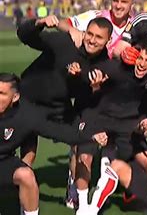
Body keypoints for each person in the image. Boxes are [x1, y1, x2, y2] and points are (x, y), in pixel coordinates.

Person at [72, 43, 147, 214]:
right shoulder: (118, 68)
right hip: (100, 118)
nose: (141, 64)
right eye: (140, 58)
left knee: (146, 161)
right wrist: (78, 72)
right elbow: (90, 72)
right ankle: (83, 206)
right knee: (84, 157)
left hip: (127, 123)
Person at [0, 73, 107, 215]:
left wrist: (91, 137)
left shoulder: (27, 115)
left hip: (4, 161)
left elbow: (59, 132)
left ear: (15, 97)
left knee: (26, 175)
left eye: (1, 93)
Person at [17, 15, 112, 166]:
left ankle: (75, 188)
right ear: (84, 32)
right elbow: (25, 36)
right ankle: (19, 182)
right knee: (28, 155)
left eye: (99, 37)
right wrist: (38, 23)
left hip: (58, 106)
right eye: (90, 34)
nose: (92, 40)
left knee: (79, 138)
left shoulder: (104, 65)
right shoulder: (65, 42)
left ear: (109, 41)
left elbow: (88, 99)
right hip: (29, 98)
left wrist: (93, 87)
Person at [58, 0, 136, 58]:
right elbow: (62, 23)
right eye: (115, 1)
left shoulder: (136, 25)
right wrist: (72, 30)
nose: (118, 6)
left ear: (132, 5)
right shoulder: (96, 15)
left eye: (124, 2)